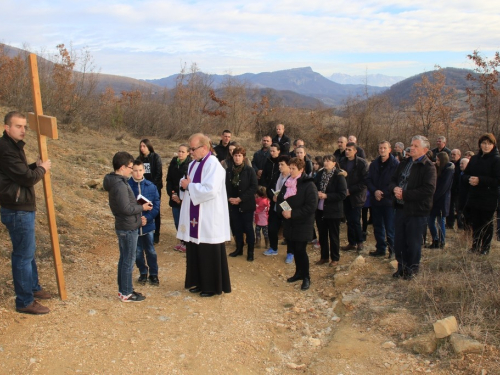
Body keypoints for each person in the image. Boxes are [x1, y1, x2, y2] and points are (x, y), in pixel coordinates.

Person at [0, 111, 52, 314]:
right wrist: (43, 170)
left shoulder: (13, 146)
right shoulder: (6, 149)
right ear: (7, 128)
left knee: (28, 253)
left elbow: (20, 172)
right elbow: (26, 178)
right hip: (17, 208)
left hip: (20, 206)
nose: (23, 130)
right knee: (23, 255)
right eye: (18, 126)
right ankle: (24, 301)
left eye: (24, 126)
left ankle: (33, 287)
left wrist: (35, 166)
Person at [178, 133, 231, 297]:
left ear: (205, 148)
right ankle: (199, 282)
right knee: (195, 250)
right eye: (190, 149)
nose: (191, 152)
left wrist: (189, 186)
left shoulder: (214, 165)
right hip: (196, 217)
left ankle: (211, 286)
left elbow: (210, 190)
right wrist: (183, 186)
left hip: (208, 216)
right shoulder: (193, 164)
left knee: (208, 252)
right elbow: (189, 183)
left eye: (193, 149)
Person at [104, 152, 153, 302]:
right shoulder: (119, 185)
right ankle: (126, 293)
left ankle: (125, 290)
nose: (132, 171)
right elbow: (126, 208)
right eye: (130, 168)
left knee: (125, 259)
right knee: (128, 260)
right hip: (127, 227)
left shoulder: (119, 181)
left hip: (128, 225)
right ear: (122, 167)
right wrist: (142, 208)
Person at [389, 135, 436, 280]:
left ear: (425, 149)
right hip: (400, 208)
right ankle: (401, 267)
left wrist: (405, 194)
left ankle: (412, 270)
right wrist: (395, 189)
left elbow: (428, 190)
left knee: (413, 242)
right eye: (411, 145)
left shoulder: (429, 167)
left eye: (416, 146)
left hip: (417, 210)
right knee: (400, 241)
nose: (412, 148)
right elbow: (392, 180)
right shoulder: (404, 163)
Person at [277, 158, 318, 290]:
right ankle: (298, 273)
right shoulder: (288, 182)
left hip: (303, 223)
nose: (291, 170)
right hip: (290, 223)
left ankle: (306, 277)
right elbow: (281, 198)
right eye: (290, 167)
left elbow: (311, 206)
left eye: (294, 168)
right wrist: (284, 210)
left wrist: (292, 213)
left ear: (301, 169)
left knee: (301, 251)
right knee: (294, 249)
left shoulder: (308, 184)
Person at [461, 134, 500, 255]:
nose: (486, 146)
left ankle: (485, 248)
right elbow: (465, 174)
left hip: (489, 196)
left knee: (486, 222)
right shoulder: (475, 159)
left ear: (493, 145)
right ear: (480, 144)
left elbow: (497, 180)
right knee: (475, 221)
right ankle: (475, 246)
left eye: (489, 143)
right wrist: (469, 179)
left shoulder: (496, 159)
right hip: (474, 195)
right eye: (484, 143)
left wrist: (480, 180)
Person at [129, 160, 161, 284]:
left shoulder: (151, 186)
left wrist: (147, 218)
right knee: (137, 252)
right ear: (132, 171)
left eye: (140, 170)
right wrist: (137, 219)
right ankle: (143, 272)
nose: (138, 173)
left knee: (151, 251)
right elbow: (126, 207)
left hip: (148, 225)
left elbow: (156, 205)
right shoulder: (127, 186)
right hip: (134, 226)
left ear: (144, 170)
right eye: (135, 170)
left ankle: (154, 273)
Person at [366, 141, 400, 258]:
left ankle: (393, 250)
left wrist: (384, 193)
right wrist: (374, 191)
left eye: (384, 148)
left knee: (390, 227)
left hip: (389, 201)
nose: (382, 150)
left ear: (389, 149)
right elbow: (368, 179)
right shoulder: (374, 164)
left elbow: (396, 181)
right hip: (375, 200)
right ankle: (380, 248)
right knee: (377, 226)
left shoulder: (395, 164)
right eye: (380, 148)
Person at [225, 146, 258, 261]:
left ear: (243, 157)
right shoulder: (228, 170)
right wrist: (229, 198)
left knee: (248, 228)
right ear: (232, 157)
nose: (237, 158)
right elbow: (224, 187)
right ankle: (239, 249)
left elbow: (254, 187)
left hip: (246, 204)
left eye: (240, 155)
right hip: (233, 204)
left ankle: (250, 251)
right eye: (235, 155)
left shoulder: (249, 170)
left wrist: (240, 198)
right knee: (237, 227)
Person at [314, 155, 347, 267]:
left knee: (333, 236)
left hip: (333, 211)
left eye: (329, 161)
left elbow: (342, 194)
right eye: (325, 160)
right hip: (320, 210)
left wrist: (327, 196)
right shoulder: (319, 174)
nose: (326, 163)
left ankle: (335, 258)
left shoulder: (339, 175)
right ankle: (324, 257)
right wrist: (317, 193)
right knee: (322, 235)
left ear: (334, 163)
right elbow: (314, 186)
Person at [339, 142, 369, 252]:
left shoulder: (362, 163)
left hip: (356, 196)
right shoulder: (342, 162)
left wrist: (350, 190)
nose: (347, 151)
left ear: (355, 151)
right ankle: (351, 242)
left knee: (356, 220)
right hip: (345, 195)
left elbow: (365, 182)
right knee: (349, 220)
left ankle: (360, 242)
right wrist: (343, 190)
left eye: (349, 149)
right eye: (346, 149)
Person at [263, 155, 291, 261]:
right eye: (279, 164)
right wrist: (272, 196)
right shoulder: (276, 175)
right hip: (275, 207)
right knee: (272, 228)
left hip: (286, 207)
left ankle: (290, 252)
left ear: (289, 166)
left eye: (282, 164)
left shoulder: (292, 178)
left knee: (288, 231)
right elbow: (269, 188)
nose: (280, 166)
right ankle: (273, 248)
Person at [166, 144, 192, 252]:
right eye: (179, 151)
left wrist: (181, 197)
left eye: (183, 152)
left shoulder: (190, 165)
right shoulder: (173, 163)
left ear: (188, 153)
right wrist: (172, 194)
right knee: (177, 221)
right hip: (174, 197)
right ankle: (181, 240)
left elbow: (188, 182)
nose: (180, 154)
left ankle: (187, 242)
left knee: (186, 220)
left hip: (185, 197)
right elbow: (169, 180)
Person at [427, 152, 454, 249]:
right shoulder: (437, 169)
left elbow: (443, 188)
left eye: (438, 160)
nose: (436, 161)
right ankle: (435, 239)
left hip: (442, 200)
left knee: (440, 221)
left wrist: (433, 198)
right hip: (434, 199)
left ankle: (442, 241)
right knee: (430, 221)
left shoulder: (448, 170)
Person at [138, 139, 163, 244]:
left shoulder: (155, 157)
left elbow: (159, 173)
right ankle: (144, 233)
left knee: (155, 211)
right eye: (141, 146)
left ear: (149, 146)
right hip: (142, 189)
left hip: (154, 188)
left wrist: (152, 186)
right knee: (143, 210)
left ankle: (156, 235)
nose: (142, 148)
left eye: (144, 146)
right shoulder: (139, 159)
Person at [446, 149, 462, 230]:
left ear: (459, 155)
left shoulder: (461, 164)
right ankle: (449, 223)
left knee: (459, 208)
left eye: (454, 154)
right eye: (451, 154)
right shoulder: (450, 164)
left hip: (458, 190)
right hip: (450, 189)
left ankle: (460, 225)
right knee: (450, 207)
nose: (452, 156)